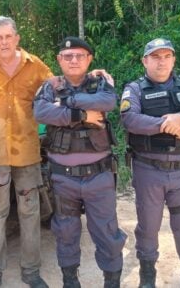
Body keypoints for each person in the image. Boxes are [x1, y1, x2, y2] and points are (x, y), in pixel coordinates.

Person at [120, 38, 180, 288]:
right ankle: (147, 275)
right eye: (155, 57)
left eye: (166, 56)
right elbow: (130, 119)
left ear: (173, 59)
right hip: (148, 170)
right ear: (145, 61)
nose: (161, 62)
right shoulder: (136, 88)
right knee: (148, 227)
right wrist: (173, 127)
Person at [33, 37, 127, 288]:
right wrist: (82, 114)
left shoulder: (100, 83)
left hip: (99, 176)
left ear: (89, 59)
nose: (73, 60)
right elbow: (41, 112)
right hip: (63, 178)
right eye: (68, 56)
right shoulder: (50, 86)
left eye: (79, 55)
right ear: (59, 60)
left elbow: (108, 103)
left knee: (107, 232)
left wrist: (65, 103)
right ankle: (70, 281)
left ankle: (112, 281)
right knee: (66, 232)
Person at [0, 16, 52, 288]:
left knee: (30, 213)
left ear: (17, 38)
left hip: (28, 154)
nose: (3, 42)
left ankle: (31, 271)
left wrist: (90, 76)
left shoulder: (35, 65)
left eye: (7, 36)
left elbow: (57, 89)